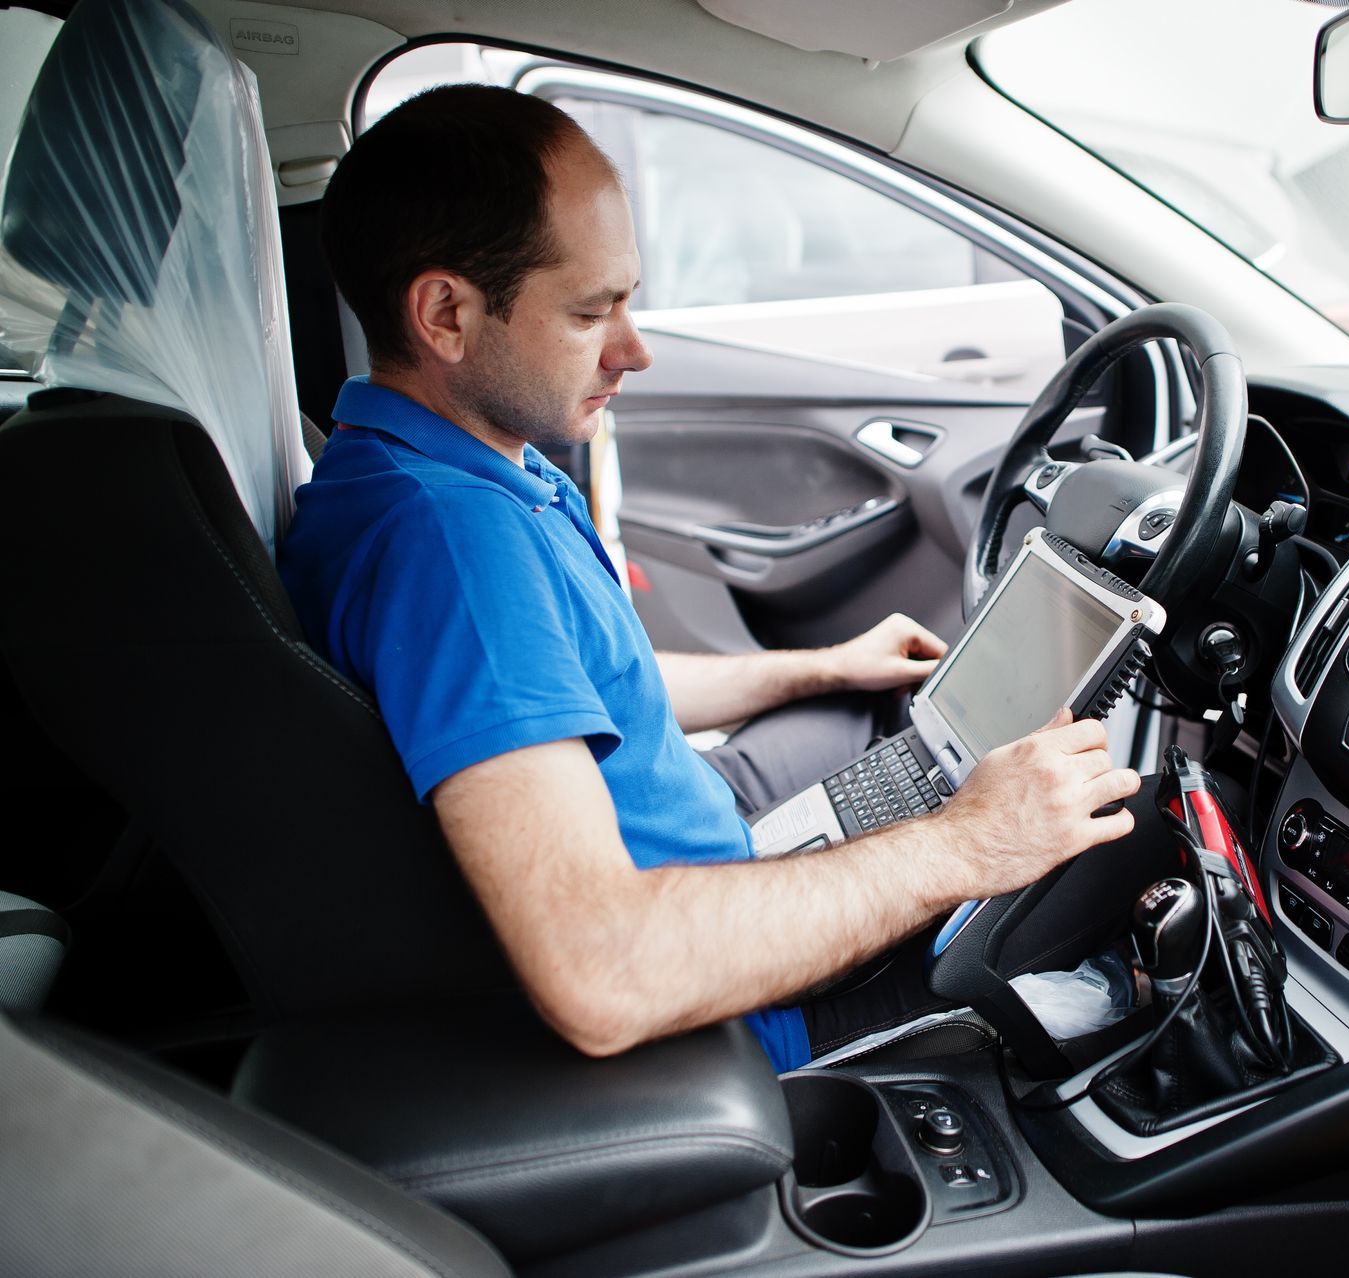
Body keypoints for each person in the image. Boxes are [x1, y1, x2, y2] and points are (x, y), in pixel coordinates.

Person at [278, 84, 1163, 1071]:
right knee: (1128, 964)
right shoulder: (451, 539)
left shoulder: (444, 465)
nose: (635, 350)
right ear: (446, 312)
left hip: (712, 879)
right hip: (742, 1013)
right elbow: (603, 972)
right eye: (589, 311)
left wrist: (815, 667)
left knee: (888, 725)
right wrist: (967, 844)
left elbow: (569, 688)